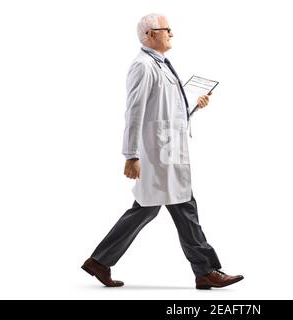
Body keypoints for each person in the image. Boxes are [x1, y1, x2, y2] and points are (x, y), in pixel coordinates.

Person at [81, 13, 243, 289]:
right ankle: (205, 270)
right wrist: (130, 156)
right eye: (166, 29)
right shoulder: (143, 66)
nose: (171, 33)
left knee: (149, 209)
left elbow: (166, 111)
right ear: (150, 34)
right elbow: (134, 112)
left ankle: (99, 261)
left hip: (167, 151)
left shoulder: (162, 64)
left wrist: (193, 106)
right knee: (183, 207)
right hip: (158, 155)